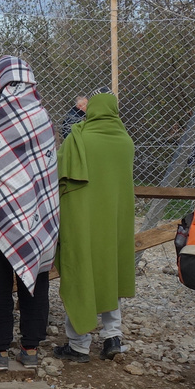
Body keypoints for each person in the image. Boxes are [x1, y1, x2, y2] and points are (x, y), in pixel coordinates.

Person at [0, 57, 59, 371]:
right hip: (37, 213)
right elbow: (45, 170)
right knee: (38, 275)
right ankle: (30, 348)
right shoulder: (43, 117)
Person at [52, 92, 137, 361]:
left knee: (81, 271)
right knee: (110, 271)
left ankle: (78, 344)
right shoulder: (126, 142)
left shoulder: (79, 137)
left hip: (82, 220)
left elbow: (58, 173)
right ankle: (113, 337)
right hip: (113, 223)